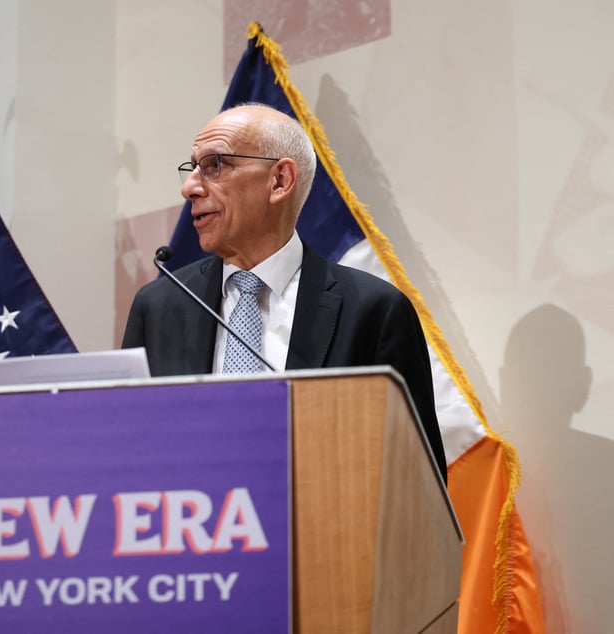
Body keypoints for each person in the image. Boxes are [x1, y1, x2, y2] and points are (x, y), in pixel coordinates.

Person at [121, 104, 447, 481]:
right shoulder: (160, 306)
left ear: (279, 181)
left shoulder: (373, 311)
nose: (189, 187)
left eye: (215, 166)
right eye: (193, 168)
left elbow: (417, 476)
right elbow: (129, 453)